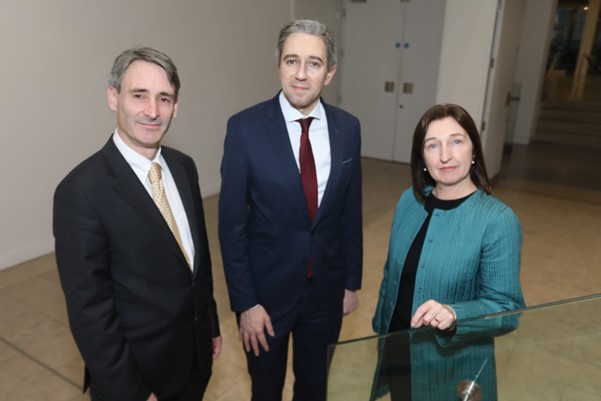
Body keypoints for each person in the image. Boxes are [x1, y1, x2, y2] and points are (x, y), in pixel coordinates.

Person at [53, 47, 221, 401]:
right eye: (139, 95)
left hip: (193, 360)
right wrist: (132, 392)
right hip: (138, 379)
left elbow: (196, 261)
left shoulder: (183, 167)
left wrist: (211, 325)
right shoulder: (81, 193)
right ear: (113, 98)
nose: (152, 111)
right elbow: (90, 315)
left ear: (176, 107)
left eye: (164, 98)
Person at [218, 19, 363, 401]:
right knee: (265, 391)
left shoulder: (347, 129)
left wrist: (351, 282)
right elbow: (231, 225)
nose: (301, 74)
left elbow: (350, 211)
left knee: (314, 389)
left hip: (326, 294)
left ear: (329, 73)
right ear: (278, 65)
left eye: (314, 63)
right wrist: (245, 302)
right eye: (292, 61)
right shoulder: (245, 129)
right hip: (265, 298)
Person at [372, 104, 525, 401]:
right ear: (422, 159)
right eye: (433, 145)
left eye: (456, 141)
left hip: (451, 369)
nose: (445, 155)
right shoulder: (409, 201)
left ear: (474, 151)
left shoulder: (497, 220)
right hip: (398, 356)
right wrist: (380, 331)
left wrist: (455, 314)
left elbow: (508, 310)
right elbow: (392, 274)